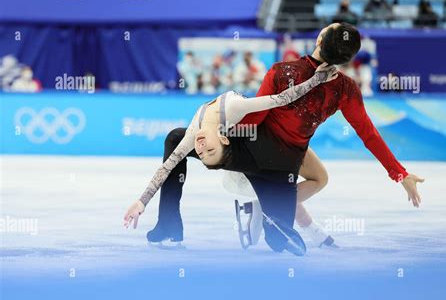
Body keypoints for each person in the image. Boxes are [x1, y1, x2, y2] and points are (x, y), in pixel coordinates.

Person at [126, 23, 424, 254]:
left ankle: (170, 225)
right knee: (280, 240)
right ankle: (266, 208)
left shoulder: (284, 70)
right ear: (347, 59)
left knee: (177, 139)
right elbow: (368, 133)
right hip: (286, 165)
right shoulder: (346, 89)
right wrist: (399, 174)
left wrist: (221, 134)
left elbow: (255, 118)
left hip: (254, 149)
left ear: (320, 40)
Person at [124, 62, 339, 254]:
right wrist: (142, 201)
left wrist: (318, 78)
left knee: (174, 138)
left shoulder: (223, 115)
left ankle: (265, 211)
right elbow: (282, 99)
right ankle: (169, 225)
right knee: (278, 240)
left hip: (265, 160)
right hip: (254, 167)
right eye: (204, 152)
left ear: (224, 138)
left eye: (203, 152)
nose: (200, 148)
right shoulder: (216, 131)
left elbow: (280, 99)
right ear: (223, 138)